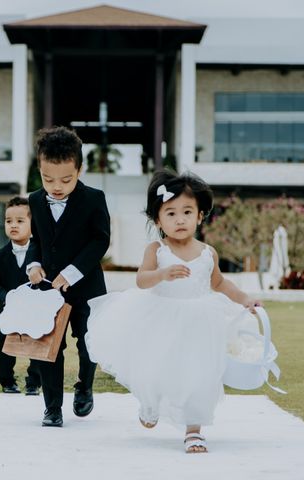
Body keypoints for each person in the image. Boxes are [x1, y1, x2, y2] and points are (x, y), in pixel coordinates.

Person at [85, 169, 262, 453]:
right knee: (156, 367)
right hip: (162, 317)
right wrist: (162, 274)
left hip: (200, 321)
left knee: (200, 373)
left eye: (187, 212)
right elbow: (142, 280)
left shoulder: (208, 252)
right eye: (170, 213)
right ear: (157, 219)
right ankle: (150, 401)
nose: (180, 219)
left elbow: (218, 283)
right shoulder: (156, 249)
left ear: (200, 215)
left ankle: (194, 428)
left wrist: (244, 299)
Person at [27, 126, 111, 427]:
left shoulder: (94, 198)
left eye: (66, 179)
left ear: (79, 169)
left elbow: (100, 240)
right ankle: (52, 408)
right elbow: (35, 238)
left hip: (87, 286)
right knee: (49, 346)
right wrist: (33, 264)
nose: (56, 186)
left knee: (88, 341)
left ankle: (85, 386)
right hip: (48, 290)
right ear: (40, 169)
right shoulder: (34, 200)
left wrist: (71, 273)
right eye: (48, 179)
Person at [0, 197, 42, 395]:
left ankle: (34, 382)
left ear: (31, 223)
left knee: (36, 343)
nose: (13, 225)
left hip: (34, 311)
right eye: (9, 221)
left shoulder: (40, 253)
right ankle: (7, 381)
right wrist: (6, 298)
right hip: (8, 309)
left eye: (20, 221)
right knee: (5, 345)